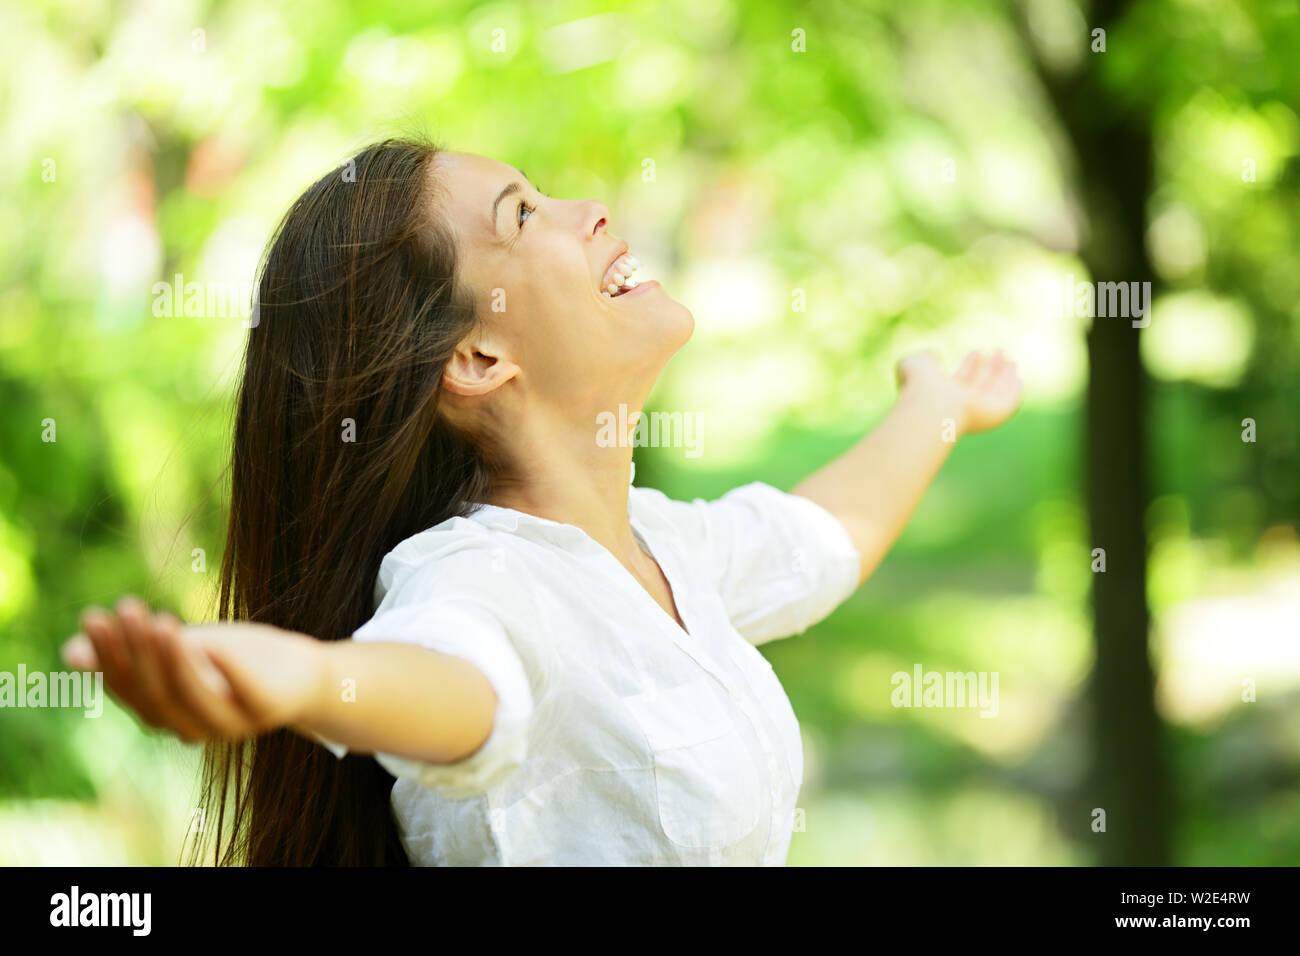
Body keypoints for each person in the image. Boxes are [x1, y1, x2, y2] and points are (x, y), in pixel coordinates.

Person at [61, 139, 1022, 865]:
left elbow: (815, 542)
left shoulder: (657, 546)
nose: (591, 209)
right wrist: (311, 684)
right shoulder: (475, 581)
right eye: (523, 216)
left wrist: (937, 407)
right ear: (480, 358)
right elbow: (459, 688)